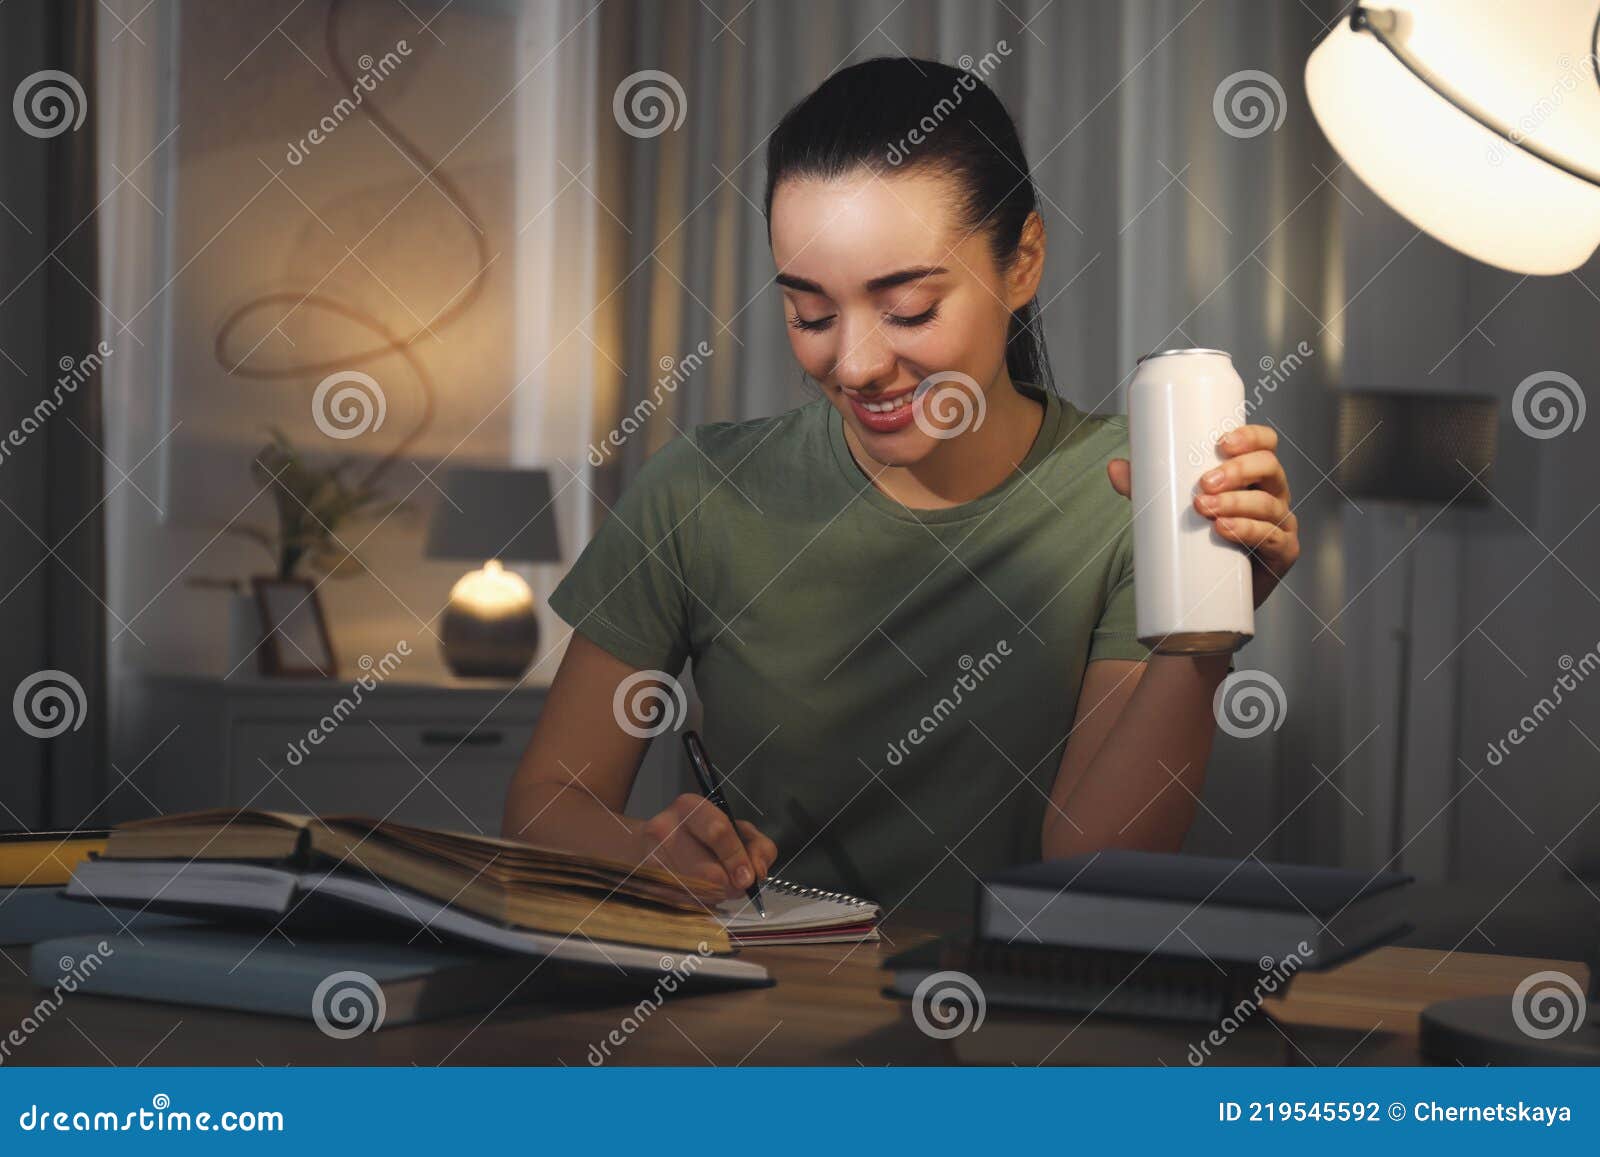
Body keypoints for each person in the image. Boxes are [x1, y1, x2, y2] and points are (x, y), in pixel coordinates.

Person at [502, 56, 1299, 911]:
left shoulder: (1125, 495)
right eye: (809, 313)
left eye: (909, 309)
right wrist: (643, 850)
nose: (855, 364)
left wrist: (1204, 635)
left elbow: (1092, 864)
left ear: (1022, 260)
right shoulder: (701, 492)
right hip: (764, 1010)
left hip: (1022, 1022)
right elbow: (545, 805)